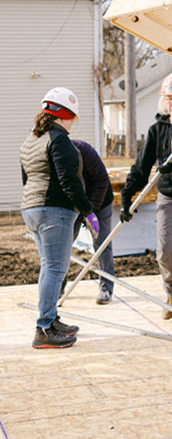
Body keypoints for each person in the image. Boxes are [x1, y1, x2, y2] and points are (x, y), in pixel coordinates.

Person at [119, 72, 172, 328]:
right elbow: (142, 166)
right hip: (167, 196)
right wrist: (127, 194)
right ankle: (171, 294)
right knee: (164, 249)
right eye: (170, 99)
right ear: (164, 101)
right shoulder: (157, 130)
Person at [20, 87, 93, 349]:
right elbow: (68, 180)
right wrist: (86, 208)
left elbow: (27, 178)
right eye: (73, 117)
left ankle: (51, 319)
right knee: (55, 268)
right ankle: (44, 328)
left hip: (32, 209)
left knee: (48, 266)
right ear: (64, 115)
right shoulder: (59, 139)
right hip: (55, 210)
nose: (74, 123)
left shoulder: (31, 139)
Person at [71, 139, 115, 304]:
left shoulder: (83, 150)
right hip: (74, 205)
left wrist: (90, 211)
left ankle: (106, 288)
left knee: (102, 244)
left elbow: (101, 180)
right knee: (63, 245)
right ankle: (57, 289)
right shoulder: (54, 153)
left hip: (100, 202)